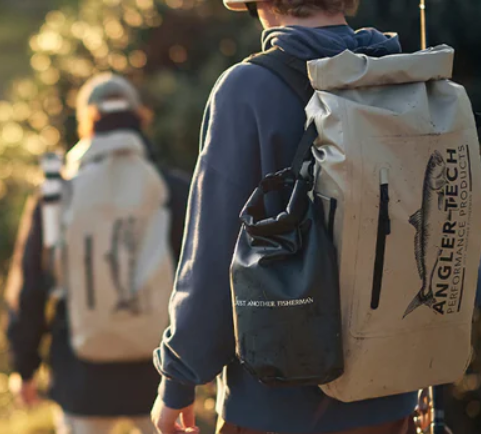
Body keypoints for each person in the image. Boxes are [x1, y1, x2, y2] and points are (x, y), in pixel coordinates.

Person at [151, 1, 422, 433]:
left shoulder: (247, 88)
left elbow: (213, 249)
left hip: (275, 403)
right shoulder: (403, 74)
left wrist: (179, 378)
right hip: (388, 399)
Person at [7, 73, 190, 434]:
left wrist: (23, 366)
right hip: (159, 371)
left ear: (86, 123)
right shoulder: (172, 189)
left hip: (81, 373)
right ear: (141, 117)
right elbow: (200, 279)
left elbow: (30, 284)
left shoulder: (57, 194)